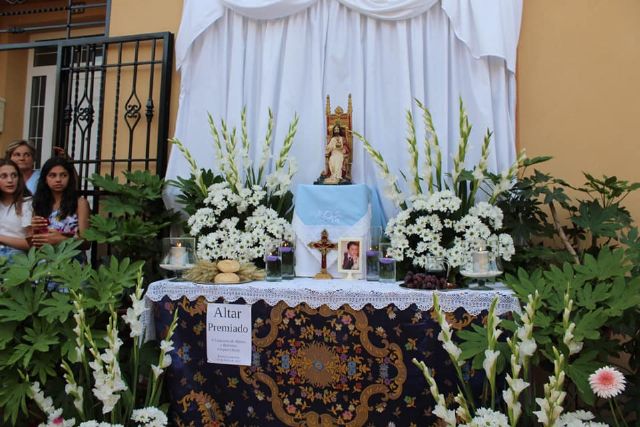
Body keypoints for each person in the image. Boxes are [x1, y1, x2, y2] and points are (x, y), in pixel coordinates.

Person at [31, 157, 90, 253]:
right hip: (45, 260)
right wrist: (34, 229)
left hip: (71, 262)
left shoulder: (80, 203)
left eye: (63, 175)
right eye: (52, 175)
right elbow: (35, 241)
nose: (58, 180)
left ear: (69, 177)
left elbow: (87, 243)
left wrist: (61, 239)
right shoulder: (39, 203)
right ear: (45, 179)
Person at [0, 159, 32, 261]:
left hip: (15, 257)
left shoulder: (27, 203)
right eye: (4, 176)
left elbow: (30, 243)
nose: (10, 180)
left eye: (14, 175)